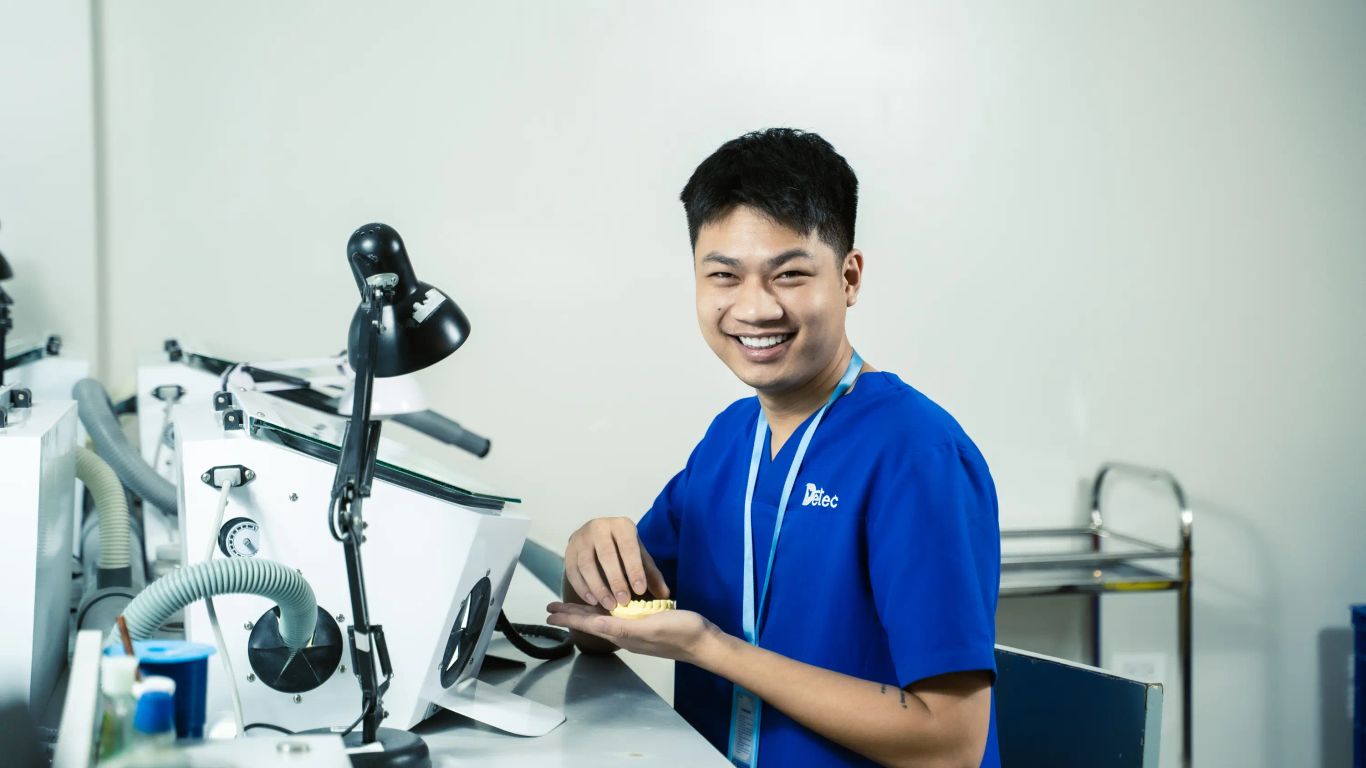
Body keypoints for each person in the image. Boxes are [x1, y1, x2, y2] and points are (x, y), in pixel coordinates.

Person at [547, 128, 1000, 768]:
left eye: (788, 274)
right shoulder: (729, 442)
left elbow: (949, 745)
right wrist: (585, 561)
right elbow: (611, 630)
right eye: (724, 276)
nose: (754, 308)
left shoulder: (916, 456)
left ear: (849, 277)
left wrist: (712, 648)